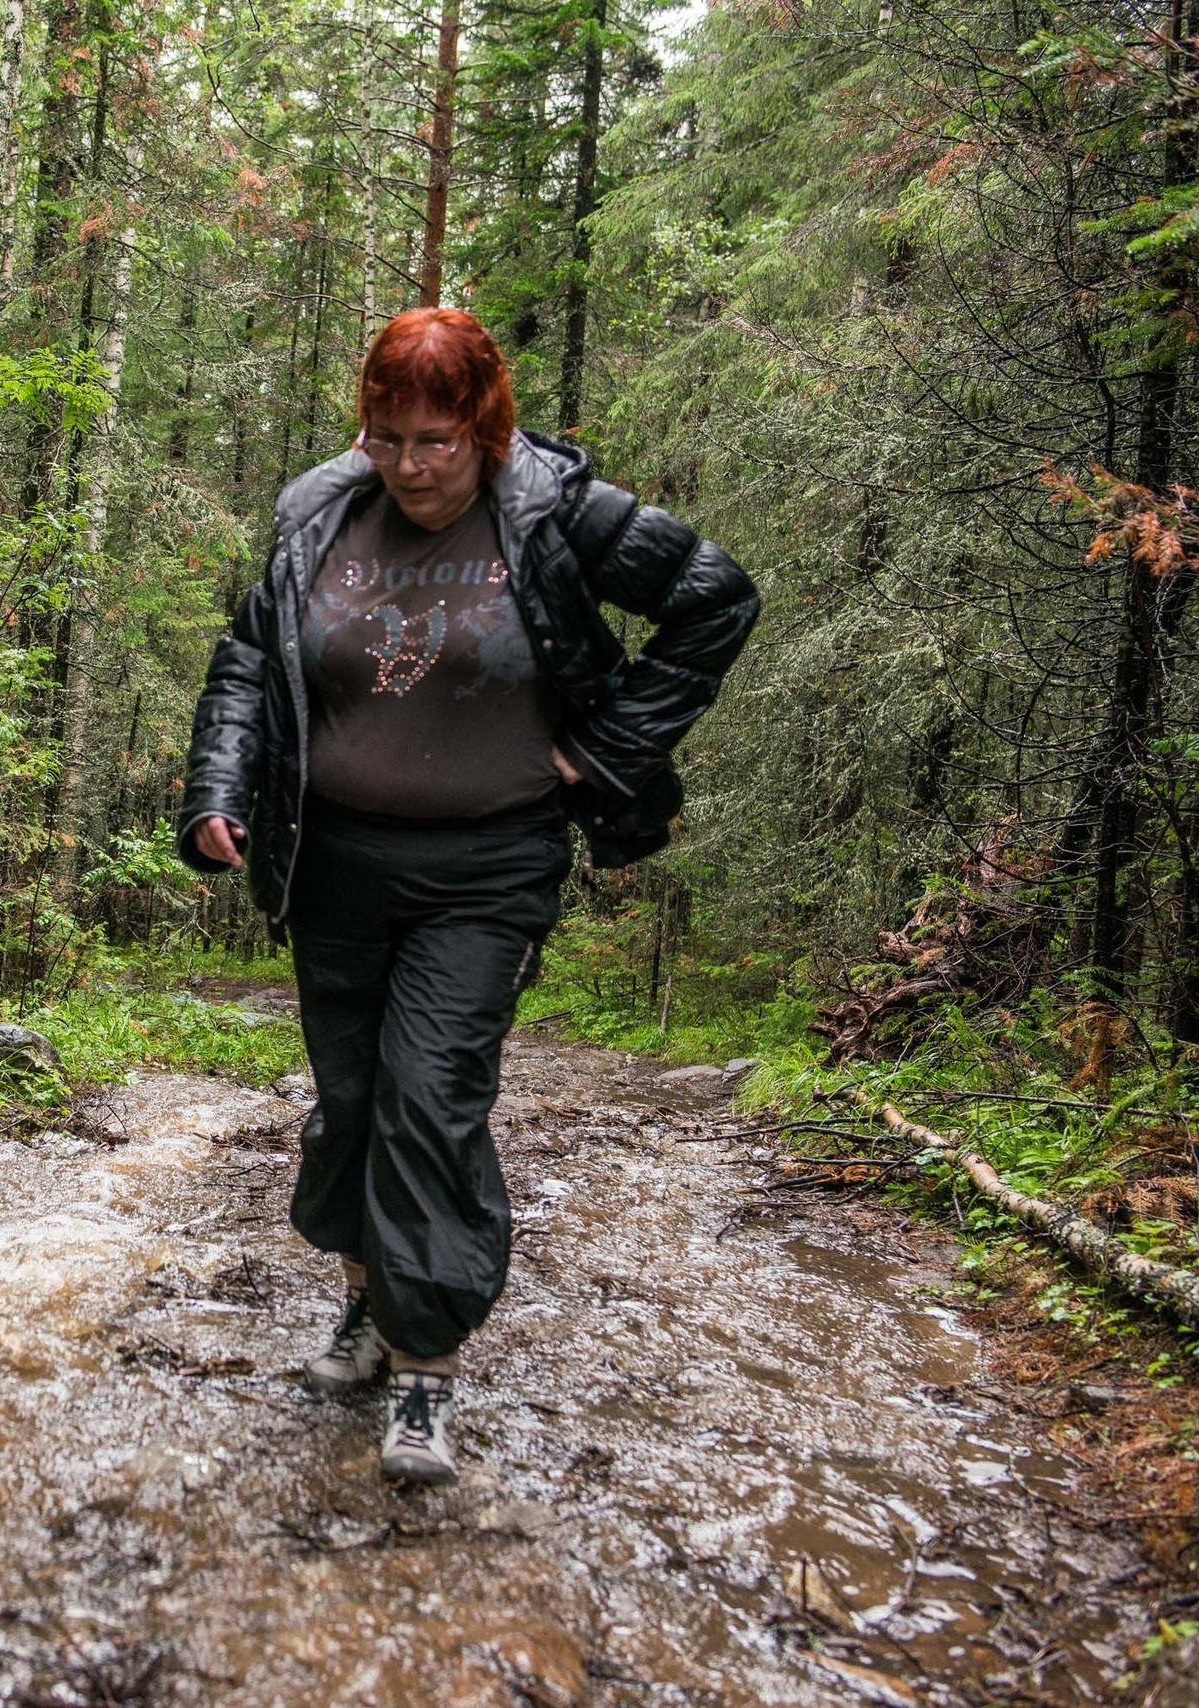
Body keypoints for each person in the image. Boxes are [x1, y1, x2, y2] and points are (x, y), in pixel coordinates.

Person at [175, 308, 759, 1484]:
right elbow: (249, 660)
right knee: (350, 1098)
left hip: (489, 866)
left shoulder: (556, 512)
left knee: (429, 1095)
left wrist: (600, 755)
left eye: (434, 441)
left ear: (484, 426)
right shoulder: (316, 513)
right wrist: (218, 789)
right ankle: (362, 1297)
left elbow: (716, 601)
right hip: (332, 860)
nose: (410, 466)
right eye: (388, 438)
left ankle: (426, 1361)